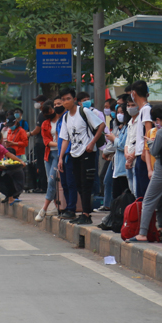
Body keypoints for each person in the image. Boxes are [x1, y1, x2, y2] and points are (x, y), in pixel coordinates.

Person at [128, 105, 162, 243]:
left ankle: (142, 233)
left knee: (148, 200)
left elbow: (154, 151)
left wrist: (150, 143)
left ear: (158, 119)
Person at [57, 87, 105, 225]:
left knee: (86, 183)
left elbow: (101, 125)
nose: (66, 102)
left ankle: (86, 214)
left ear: (74, 100)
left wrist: (92, 143)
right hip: (74, 153)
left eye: (68, 99)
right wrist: (61, 157)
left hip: (87, 152)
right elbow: (65, 139)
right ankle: (84, 212)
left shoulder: (83, 112)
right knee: (78, 183)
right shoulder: (66, 117)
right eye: (63, 100)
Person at [34, 99, 63, 221]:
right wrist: (60, 144)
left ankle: (44, 209)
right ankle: (57, 207)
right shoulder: (45, 124)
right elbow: (46, 141)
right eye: (45, 112)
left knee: (52, 181)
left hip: (58, 154)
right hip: (48, 155)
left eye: (50, 109)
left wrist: (60, 145)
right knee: (51, 181)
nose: (48, 113)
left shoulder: (63, 120)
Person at [130, 81, 153, 198]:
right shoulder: (143, 110)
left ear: (134, 93)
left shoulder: (146, 110)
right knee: (139, 189)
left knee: (143, 190)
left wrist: (145, 151)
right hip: (140, 153)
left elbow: (148, 131)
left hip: (143, 154)